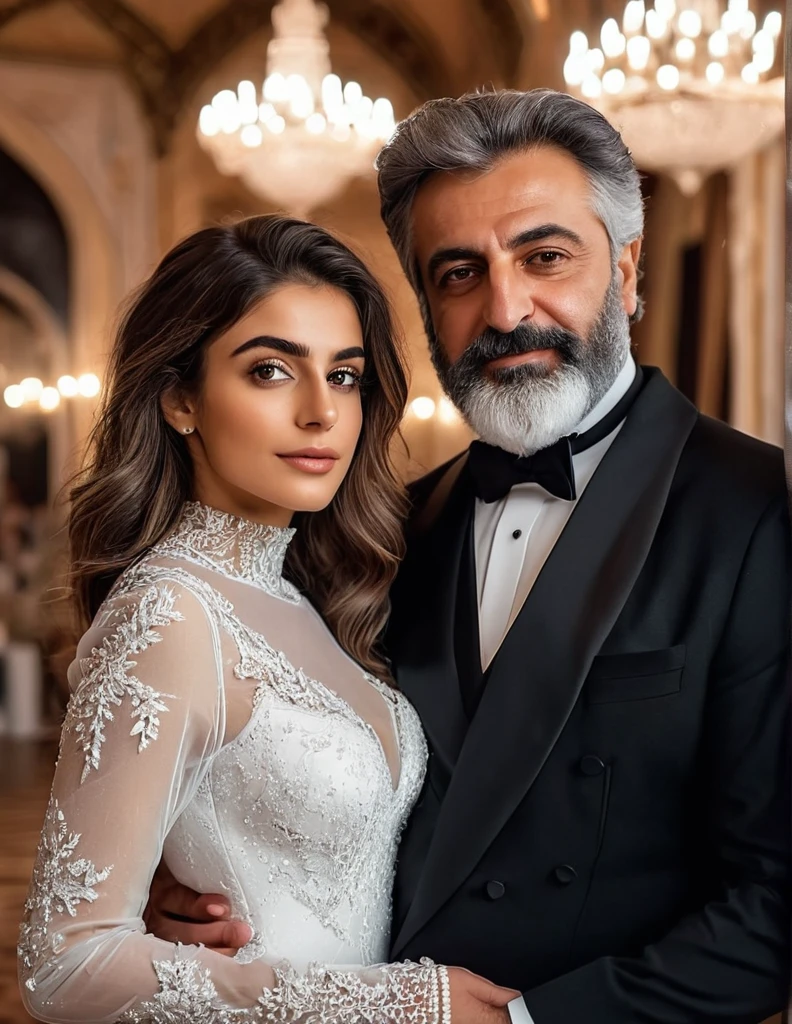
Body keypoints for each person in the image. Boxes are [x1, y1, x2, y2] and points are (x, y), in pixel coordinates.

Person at [145, 90, 792, 1024]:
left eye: (545, 257)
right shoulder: (385, 525)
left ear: (628, 268)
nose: (505, 307)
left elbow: (775, 909)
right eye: (458, 274)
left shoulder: (757, 512)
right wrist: (195, 889)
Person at [17, 214, 519, 1022]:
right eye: (271, 371)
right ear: (181, 398)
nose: (322, 411)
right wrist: (404, 1005)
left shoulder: (309, 596)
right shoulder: (169, 613)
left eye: (346, 375)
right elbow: (66, 964)